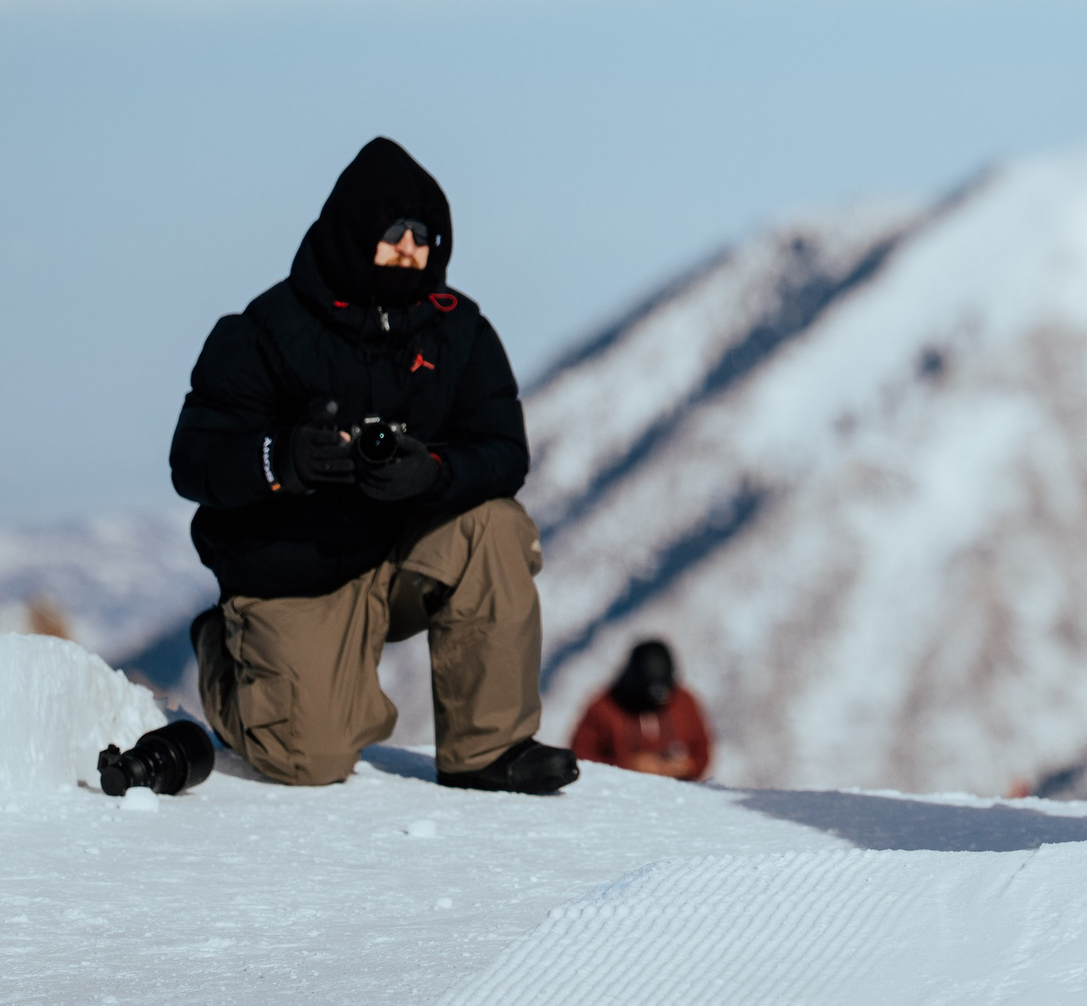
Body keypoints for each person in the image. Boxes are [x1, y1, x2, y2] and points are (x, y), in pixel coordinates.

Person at [169, 137, 577, 795]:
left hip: (399, 557)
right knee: (308, 759)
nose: (409, 251)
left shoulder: (460, 332)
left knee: (495, 525)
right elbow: (193, 460)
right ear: (354, 235)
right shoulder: (264, 332)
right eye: (393, 235)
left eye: (423, 237)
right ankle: (226, 651)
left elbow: (503, 450)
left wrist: (432, 472)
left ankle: (488, 750)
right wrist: (282, 458)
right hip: (296, 569)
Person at [572, 640, 715, 780]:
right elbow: (579, 759)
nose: (656, 702)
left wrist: (688, 766)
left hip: (678, 791)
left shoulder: (683, 702)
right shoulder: (605, 707)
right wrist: (627, 766)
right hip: (619, 791)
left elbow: (702, 752)